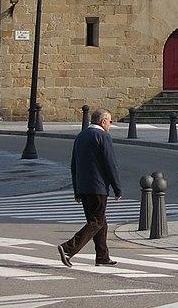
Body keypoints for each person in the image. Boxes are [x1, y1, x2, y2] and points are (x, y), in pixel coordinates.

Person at [57, 107, 122, 267]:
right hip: (98, 187)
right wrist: (117, 188)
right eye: (110, 121)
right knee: (97, 221)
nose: (110, 125)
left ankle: (102, 256)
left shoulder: (81, 136)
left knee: (100, 221)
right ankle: (68, 248)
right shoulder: (103, 136)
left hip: (83, 186)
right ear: (103, 121)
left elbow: (74, 165)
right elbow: (110, 164)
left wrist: (77, 189)